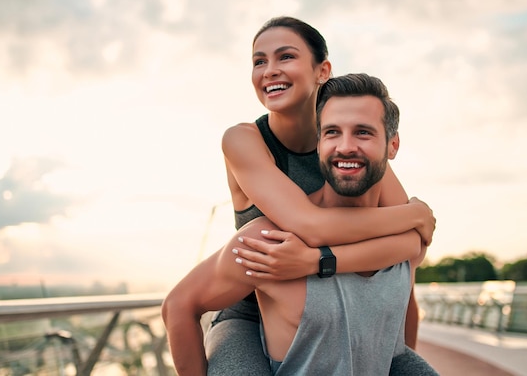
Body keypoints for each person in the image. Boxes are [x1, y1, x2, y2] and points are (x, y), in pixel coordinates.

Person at [163, 73, 437, 375]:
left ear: (392, 145)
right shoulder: (268, 244)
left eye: (363, 133)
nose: (346, 146)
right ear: (318, 144)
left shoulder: (404, 239)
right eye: (332, 132)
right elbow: (178, 305)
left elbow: (406, 305)